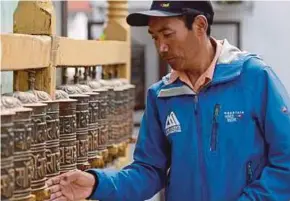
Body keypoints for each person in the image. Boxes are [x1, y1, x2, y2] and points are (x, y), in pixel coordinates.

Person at [47, 1, 290, 201]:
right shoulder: (161, 96)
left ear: (200, 25)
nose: (161, 47)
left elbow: (285, 162)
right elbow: (148, 171)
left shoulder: (253, 77)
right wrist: (96, 183)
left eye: (168, 34)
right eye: (154, 37)